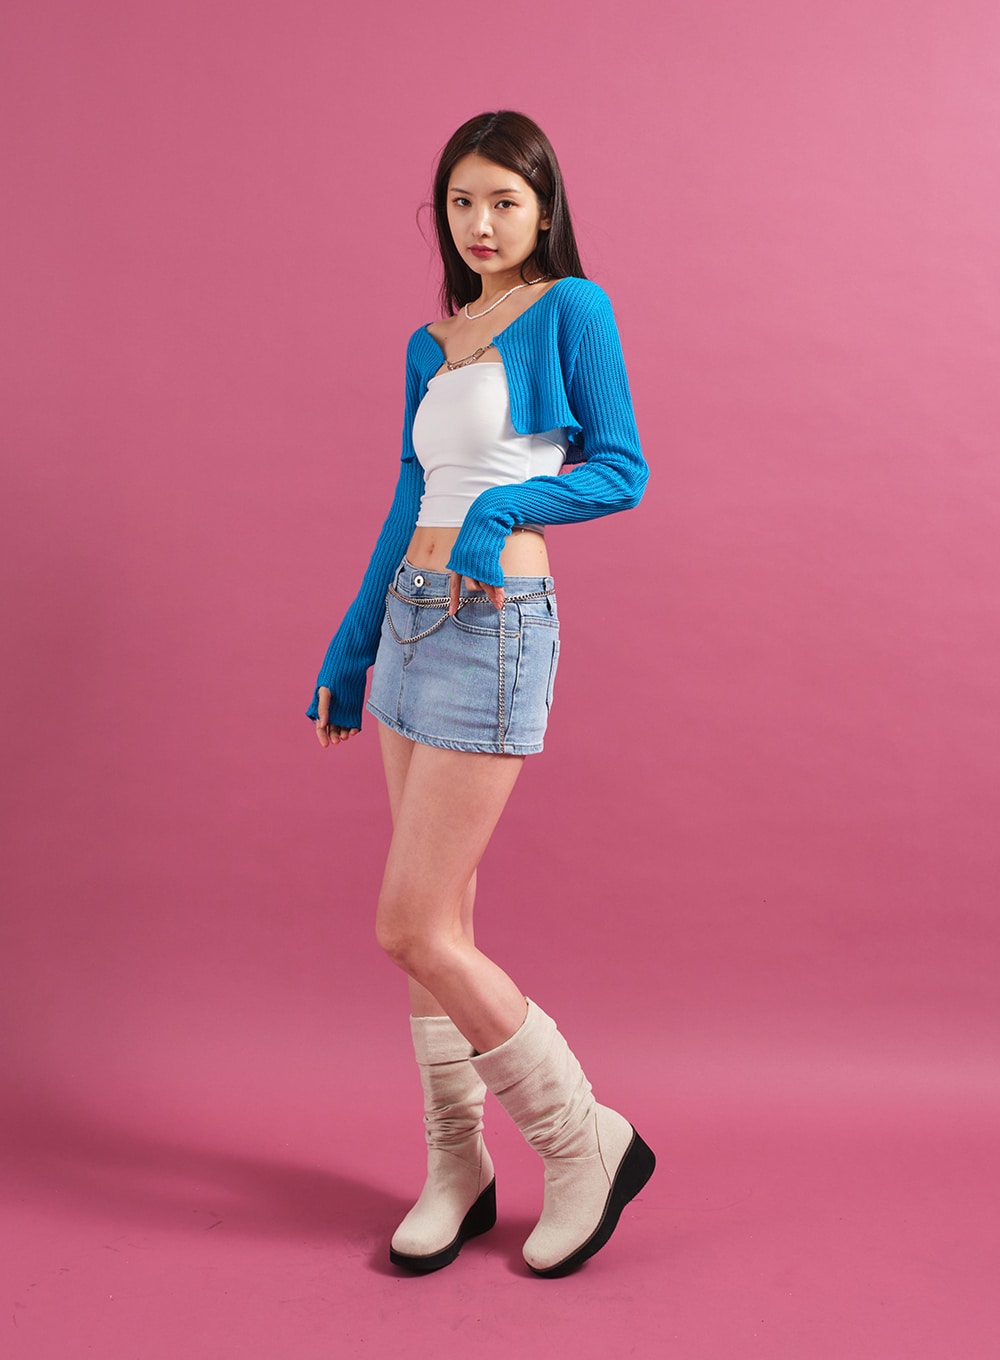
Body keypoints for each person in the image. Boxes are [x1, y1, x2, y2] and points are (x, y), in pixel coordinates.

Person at [307, 110, 654, 1277]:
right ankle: (455, 1166)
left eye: (504, 200)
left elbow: (620, 468)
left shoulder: (571, 309)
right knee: (440, 927)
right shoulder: (434, 341)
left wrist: (500, 510)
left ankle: (581, 1137)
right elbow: (409, 494)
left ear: (543, 209)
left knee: (406, 922)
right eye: (462, 201)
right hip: (412, 621)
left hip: (494, 623)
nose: (482, 222)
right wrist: (352, 645)